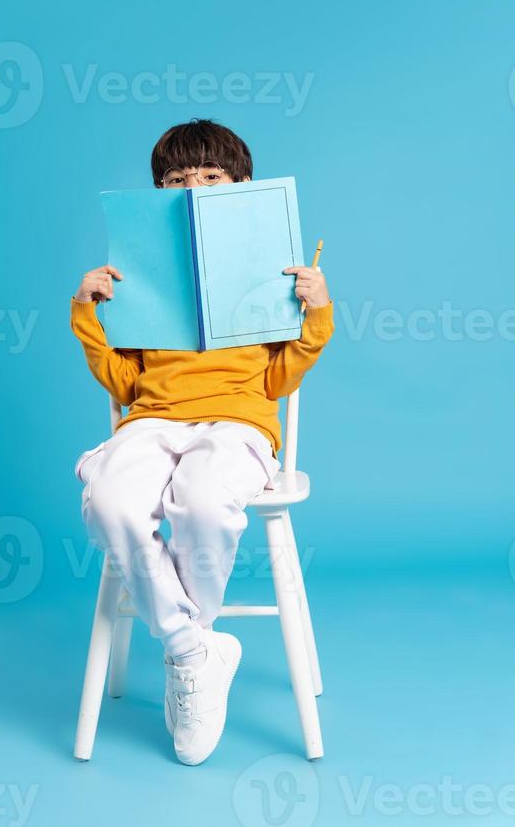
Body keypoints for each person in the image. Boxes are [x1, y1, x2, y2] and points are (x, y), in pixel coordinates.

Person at [70, 119, 334, 765]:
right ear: (159, 191)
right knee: (110, 501)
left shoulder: (270, 267)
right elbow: (126, 384)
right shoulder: (143, 272)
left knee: (208, 500)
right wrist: (88, 310)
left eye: (212, 178)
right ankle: (193, 650)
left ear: (241, 186)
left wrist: (316, 311)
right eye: (178, 181)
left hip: (238, 422)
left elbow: (277, 377)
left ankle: (189, 648)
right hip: (153, 420)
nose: (195, 189)